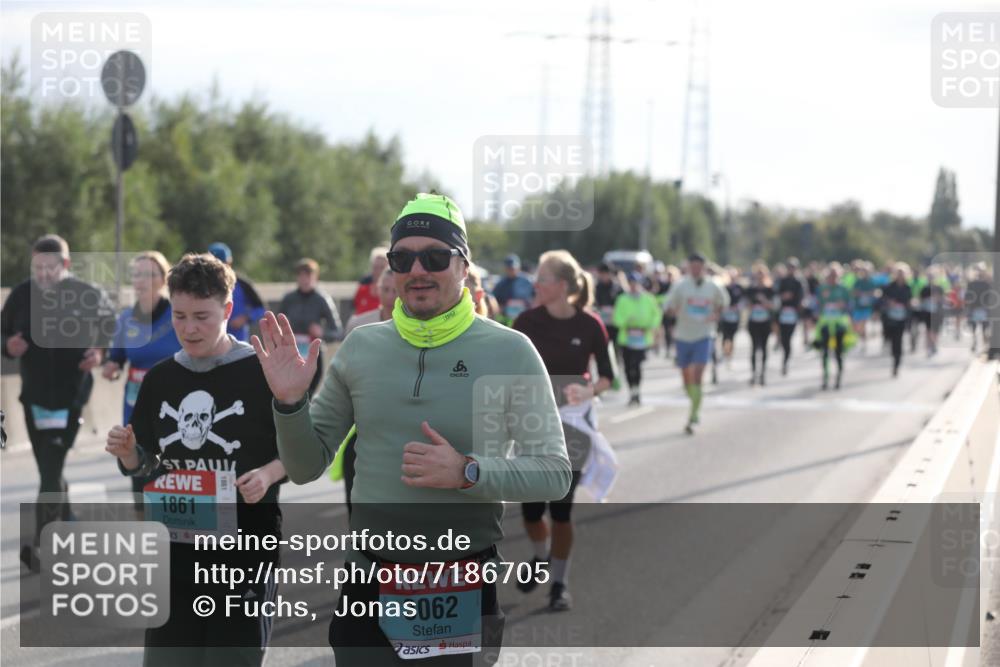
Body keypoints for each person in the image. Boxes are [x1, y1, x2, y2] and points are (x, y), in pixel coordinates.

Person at [256, 193, 571, 665]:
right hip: (369, 582)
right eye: (402, 259)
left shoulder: (510, 351)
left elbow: (554, 473)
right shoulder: (362, 347)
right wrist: (289, 404)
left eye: (435, 257)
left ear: (463, 265)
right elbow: (303, 468)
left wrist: (468, 472)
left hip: (461, 584)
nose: (417, 270)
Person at [105, 253, 287, 667]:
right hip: (176, 554)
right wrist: (129, 453)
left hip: (246, 552)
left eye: (202, 317)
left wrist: (269, 473)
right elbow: (145, 462)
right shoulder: (160, 378)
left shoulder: (262, 372)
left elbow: (305, 454)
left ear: (227, 309)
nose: (189, 328)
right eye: (180, 316)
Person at [2, 234, 115, 571]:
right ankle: (67, 520)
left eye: (49, 268)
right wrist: (8, 346)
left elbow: (110, 326)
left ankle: (44, 546)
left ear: (65, 264)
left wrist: (100, 352)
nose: (42, 274)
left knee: (51, 466)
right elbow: (2, 333)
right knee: (49, 469)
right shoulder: (21, 295)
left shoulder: (86, 294)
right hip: (34, 397)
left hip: (71, 396)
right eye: (36, 268)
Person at [513, 250, 615, 611]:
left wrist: (589, 390)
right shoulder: (526, 322)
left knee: (561, 509)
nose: (535, 285)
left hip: (573, 426)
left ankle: (559, 584)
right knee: (530, 511)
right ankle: (541, 557)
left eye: (541, 279)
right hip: (532, 424)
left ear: (561, 285)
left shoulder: (590, 325)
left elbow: (608, 376)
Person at [102, 251, 182, 504]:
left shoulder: (177, 314)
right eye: (136, 275)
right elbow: (116, 357)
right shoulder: (126, 318)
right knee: (138, 468)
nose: (141, 280)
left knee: (171, 470)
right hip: (136, 402)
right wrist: (111, 367)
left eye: (148, 274)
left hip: (174, 403)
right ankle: (144, 523)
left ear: (163, 279)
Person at [663, 253, 730, 434]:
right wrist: (671, 310)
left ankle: (694, 414)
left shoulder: (714, 286)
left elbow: (723, 303)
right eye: (692, 266)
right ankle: (694, 399)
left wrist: (716, 314)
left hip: (704, 335)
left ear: (704, 267)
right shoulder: (680, 286)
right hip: (683, 336)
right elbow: (668, 306)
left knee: (698, 374)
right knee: (686, 379)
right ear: (688, 267)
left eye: (699, 266)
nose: (695, 269)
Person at [278, 258, 342, 396]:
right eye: (301, 275)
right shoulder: (288, 299)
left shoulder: (322, 299)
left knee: (310, 394)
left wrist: (322, 333)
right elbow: (276, 325)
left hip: (313, 353)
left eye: (308, 275)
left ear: (315, 277)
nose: (304, 279)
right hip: (292, 352)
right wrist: (283, 332)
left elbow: (337, 332)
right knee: (291, 393)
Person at [612, 271, 661, 406]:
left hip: (642, 339)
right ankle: (631, 391)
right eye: (631, 283)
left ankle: (637, 390)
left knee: (637, 365)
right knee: (628, 366)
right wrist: (626, 324)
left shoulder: (648, 298)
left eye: (636, 283)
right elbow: (616, 317)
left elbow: (656, 315)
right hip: (626, 339)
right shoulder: (622, 299)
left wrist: (648, 326)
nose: (633, 286)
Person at [207, 242, 265, 342]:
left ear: (229, 262)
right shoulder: (200, 286)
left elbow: (261, 309)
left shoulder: (242, 284)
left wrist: (245, 318)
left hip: (237, 342)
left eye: (223, 264)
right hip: (210, 342)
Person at [812, 264, 854, 390]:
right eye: (831, 275)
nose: (833, 278)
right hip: (825, 323)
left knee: (838, 352)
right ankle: (825, 378)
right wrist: (817, 313)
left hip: (839, 324)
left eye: (835, 275)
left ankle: (839, 378)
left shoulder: (844, 289)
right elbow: (816, 304)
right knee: (824, 351)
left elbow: (850, 305)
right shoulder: (822, 289)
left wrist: (843, 306)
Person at [744, 263, 776, 386]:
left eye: (762, 274)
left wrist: (764, 301)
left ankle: (762, 373)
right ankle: (753, 373)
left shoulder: (770, 289)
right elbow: (746, 305)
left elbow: (773, 305)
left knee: (764, 347)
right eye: (758, 274)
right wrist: (751, 305)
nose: (760, 276)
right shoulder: (751, 289)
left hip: (765, 322)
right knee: (753, 347)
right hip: (753, 321)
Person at [773, 262, 805, 376]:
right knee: (784, 338)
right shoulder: (782, 281)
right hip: (782, 313)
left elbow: (801, 297)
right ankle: (783, 352)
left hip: (793, 313)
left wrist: (798, 307)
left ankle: (786, 361)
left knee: (789, 338)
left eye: (793, 268)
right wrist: (783, 297)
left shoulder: (798, 282)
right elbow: (776, 294)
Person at [881, 264, 912, 377]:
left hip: (901, 318)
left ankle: (896, 363)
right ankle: (892, 351)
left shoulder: (907, 287)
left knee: (898, 341)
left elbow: (909, 302)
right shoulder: (889, 286)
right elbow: (883, 299)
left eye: (902, 274)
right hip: (890, 318)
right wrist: (889, 303)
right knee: (890, 338)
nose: (900, 276)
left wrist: (904, 306)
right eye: (898, 274)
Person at [492, 253, 535, 326]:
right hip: (507, 320)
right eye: (509, 268)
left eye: (514, 268)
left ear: (519, 267)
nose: (512, 270)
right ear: (505, 269)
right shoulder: (500, 284)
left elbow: (536, 297)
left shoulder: (528, 282)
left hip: (526, 319)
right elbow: (494, 301)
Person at [594, 262, 624, 350]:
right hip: (602, 322)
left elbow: (623, 304)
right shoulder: (596, 288)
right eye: (602, 274)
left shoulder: (617, 288)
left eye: (606, 273)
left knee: (616, 346)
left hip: (615, 322)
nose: (604, 276)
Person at [718, 267, 744, 368]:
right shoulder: (724, 287)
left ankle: (730, 355)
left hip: (735, 316)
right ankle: (725, 352)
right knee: (725, 336)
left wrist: (737, 307)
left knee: (732, 337)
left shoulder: (740, 288)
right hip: (725, 316)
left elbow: (743, 300)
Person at [353, 246, 389, 316]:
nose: (378, 271)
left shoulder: (393, 293)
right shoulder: (362, 290)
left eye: (382, 267)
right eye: (375, 267)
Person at [965, 265, 993, 353]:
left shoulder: (972, 284)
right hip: (981, 307)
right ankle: (982, 344)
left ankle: (978, 343)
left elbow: (967, 296)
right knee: (983, 327)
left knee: (976, 327)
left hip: (976, 307)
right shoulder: (986, 284)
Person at [850, 265, 877, 349]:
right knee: (857, 325)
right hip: (858, 307)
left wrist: (865, 294)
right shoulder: (858, 282)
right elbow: (854, 292)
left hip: (867, 307)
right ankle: (860, 338)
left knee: (863, 324)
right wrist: (861, 294)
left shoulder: (872, 282)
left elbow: (874, 293)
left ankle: (863, 341)